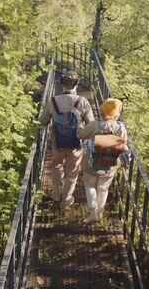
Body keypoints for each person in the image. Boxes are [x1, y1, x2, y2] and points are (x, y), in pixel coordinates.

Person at [39, 70, 95, 208]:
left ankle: (57, 194)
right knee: (72, 172)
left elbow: (43, 121)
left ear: (61, 84)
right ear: (76, 84)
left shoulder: (53, 101)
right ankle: (66, 200)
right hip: (76, 144)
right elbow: (91, 124)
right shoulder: (83, 101)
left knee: (56, 166)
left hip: (57, 142)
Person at [77, 98, 128, 223]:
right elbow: (123, 144)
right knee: (103, 188)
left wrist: (79, 126)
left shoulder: (95, 125)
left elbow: (80, 135)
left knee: (90, 186)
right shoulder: (120, 127)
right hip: (110, 163)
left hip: (91, 162)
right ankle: (99, 213)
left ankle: (93, 212)